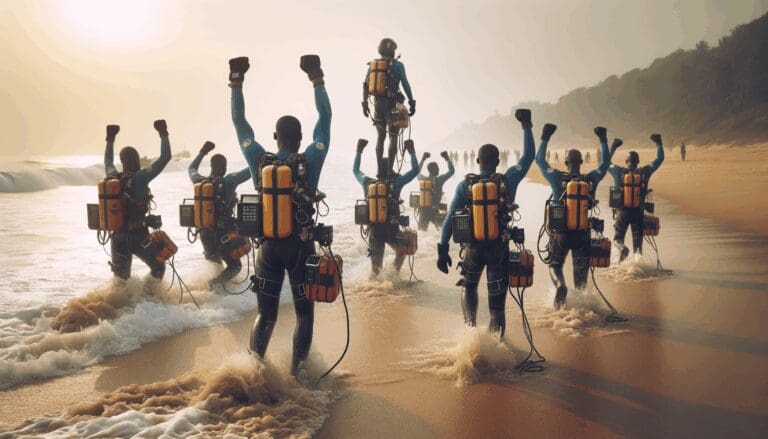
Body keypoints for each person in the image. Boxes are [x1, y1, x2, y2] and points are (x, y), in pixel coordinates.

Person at [229, 53, 331, 375]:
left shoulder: (259, 160)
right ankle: (299, 376)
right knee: (304, 315)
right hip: (300, 249)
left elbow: (239, 123)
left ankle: (251, 373)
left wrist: (236, 81)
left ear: (275, 138)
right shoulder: (310, 160)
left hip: (268, 250)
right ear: (300, 138)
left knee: (266, 315)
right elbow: (326, 119)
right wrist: (316, 77)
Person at [436, 109, 535, 336]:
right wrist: (526, 125)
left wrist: (442, 249)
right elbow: (529, 156)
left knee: (469, 287)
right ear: (498, 162)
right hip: (499, 249)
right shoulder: (507, 180)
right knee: (497, 309)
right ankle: (496, 348)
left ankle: (471, 332)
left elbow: (450, 217)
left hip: (473, 249)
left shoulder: (466, 186)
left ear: (478, 161)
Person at [535, 125, 611, 309]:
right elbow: (605, 165)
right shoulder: (590, 179)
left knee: (554, 265)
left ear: (566, 162)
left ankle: (560, 286)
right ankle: (581, 306)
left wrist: (545, 136)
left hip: (561, 235)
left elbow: (539, 160)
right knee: (580, 277)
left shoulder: (556, 177)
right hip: (582, 235)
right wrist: (603, 139)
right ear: (581, 162)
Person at [104, 121, 171, 285]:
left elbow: (107, 161)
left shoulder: (113, 177)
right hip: (139, 236)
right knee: (158, 266)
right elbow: (165, 157)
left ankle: (122, 301)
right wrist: (163, 132)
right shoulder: (141, 177)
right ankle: (148, 296)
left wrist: (110, 138)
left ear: (122, 161)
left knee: (120, 281)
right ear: (136, 159)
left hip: (118, 236)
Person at [354, 139, 427, 276]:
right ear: (390, 169)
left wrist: (359, 151)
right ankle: (394, 275)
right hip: (391, 229)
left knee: (375, 271)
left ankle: (377, 284)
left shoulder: (367, 183)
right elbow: (415, 170)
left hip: (375, 231)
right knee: (403, 251)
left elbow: (356, 170)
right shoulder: (396, 183)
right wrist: (411, 151)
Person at [188, 141, 252, 289]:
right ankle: (214, 284)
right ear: (224, 167)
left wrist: (203, 152)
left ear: (211, 166)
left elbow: (191, 168)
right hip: (223, 234)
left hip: (204, 234)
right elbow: (250, 170)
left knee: (215, 264)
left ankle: (211, 293)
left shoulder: (199, 181)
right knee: (235, 266)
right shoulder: (229, 181)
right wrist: (251, 153)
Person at [362, 38, 415, 173]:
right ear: (393, 51)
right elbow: (405, 84)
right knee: (393, 136)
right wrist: (411, 101)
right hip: (393, 104)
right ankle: (390, 170)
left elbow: (366, 85)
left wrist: (365, 103)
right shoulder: (398, 65)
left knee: (380, 137)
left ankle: (380, 170)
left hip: (378, 104)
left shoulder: (374, 65)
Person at [608, 134, 665, 262]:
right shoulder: (644, 172)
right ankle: (636, 264)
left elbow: (605, 162)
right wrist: (658, 142)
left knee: (618, 239)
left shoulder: (618, 171)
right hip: (638, 213)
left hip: (622, 213)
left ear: (626, 162)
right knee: (637, 246)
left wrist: (614, 146)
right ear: (638, 162)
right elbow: (660, 159)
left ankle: (622, 249)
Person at [416, 151, 455, 230]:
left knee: (422, 232)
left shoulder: (423, 179)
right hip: (434, 210)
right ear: (434, 170)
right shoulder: (440, 180)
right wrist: (447, 158)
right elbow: (451, 171)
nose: (438, 170)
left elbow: (416, 173)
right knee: (440, 231)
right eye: (437, 168)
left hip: (423, 211)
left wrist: (423, 159)